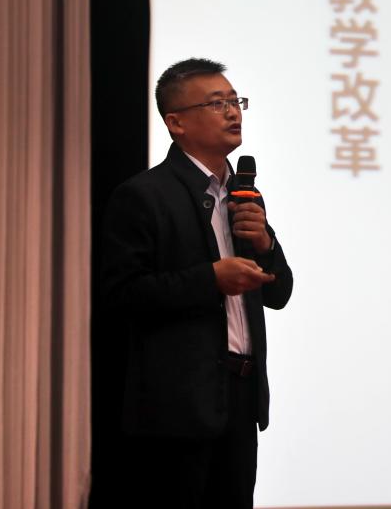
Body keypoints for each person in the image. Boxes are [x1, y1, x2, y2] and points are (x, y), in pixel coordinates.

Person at [100, 58, 293, 507]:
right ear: (176, 122)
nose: (233, 112)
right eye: (217, 103)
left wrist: (264, 244)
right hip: (176, 410)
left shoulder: (244, 194)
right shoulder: (143, 196)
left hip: (241, 399)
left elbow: (279, 292)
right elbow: (121, 295)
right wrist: (211, 279)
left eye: (236, 101)